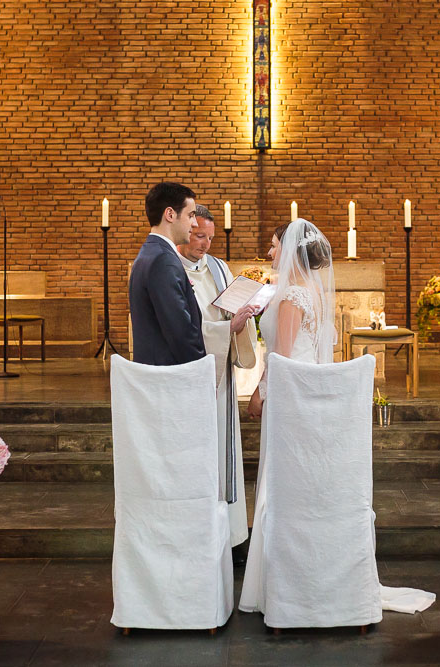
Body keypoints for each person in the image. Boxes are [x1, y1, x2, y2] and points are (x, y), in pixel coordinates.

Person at [239, 218, 335, 614]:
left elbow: (283, 354)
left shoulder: (293, 295)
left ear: (292, 249)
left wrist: (259, 393)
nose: (270, 252)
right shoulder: (312, 290)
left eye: (275, 245)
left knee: (282, 481)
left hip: (290, 395)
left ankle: (280, 584)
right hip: (308, 392)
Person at [176, 206, 259, 554]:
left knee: (226, 449)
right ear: (186, 231)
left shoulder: (220, 267)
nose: (206, 244)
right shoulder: (173, 270)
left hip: (220, 372)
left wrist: (242, 313)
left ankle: (232, 534)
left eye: (210, 237)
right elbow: (184, 328)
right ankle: (203, 533)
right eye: (199, 236)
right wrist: (227, 327)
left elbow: (229, 309)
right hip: (193, 373)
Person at [129, 182, 207, 365]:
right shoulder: (163, 260)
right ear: (170, 214)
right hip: (170, 375)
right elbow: (180, 331)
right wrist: (201, 370)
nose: (194, 224)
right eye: (191, 215)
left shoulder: (150, 252)